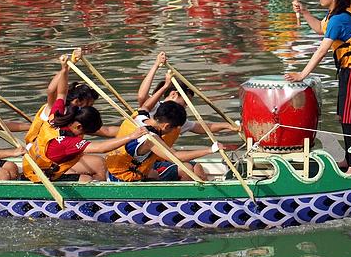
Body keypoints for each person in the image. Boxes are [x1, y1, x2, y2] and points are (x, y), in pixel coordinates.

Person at [288, 0, 351, 173]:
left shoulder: (340, 19)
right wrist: (306, 11)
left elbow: (321, 50)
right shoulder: (336, 14)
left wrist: (302, 75)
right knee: (343, 117)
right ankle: (349, 159)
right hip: (349, 72)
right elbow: (320, 28)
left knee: (348, 120)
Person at [24, 55, 147, 183]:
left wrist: (65, 68)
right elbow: (100, 148)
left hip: (35, 162)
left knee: (99, 164)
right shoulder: (68, 140)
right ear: (79, 127)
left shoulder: (57, 115)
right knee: (87, 178)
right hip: (39, 175)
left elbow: (62, 93)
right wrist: (131, 137)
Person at [105, 101, 233, 182]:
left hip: (114, 169)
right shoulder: (151, 138)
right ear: (167, 126)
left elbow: (145, 105)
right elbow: (175, 157)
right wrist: (210, 150)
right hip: (123, 179)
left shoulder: (139, 116)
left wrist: (165, 84)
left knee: (155, 173)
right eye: (174, 129)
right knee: (184, 171)